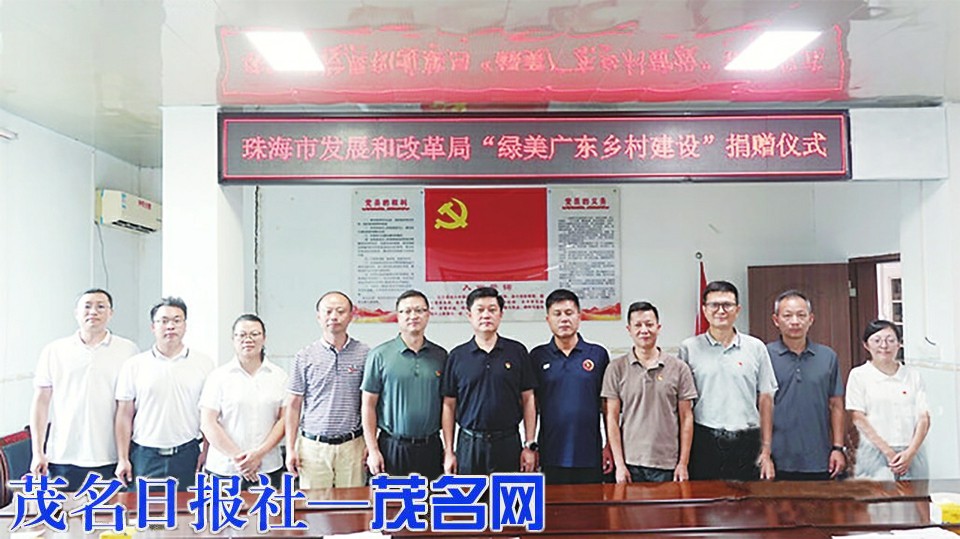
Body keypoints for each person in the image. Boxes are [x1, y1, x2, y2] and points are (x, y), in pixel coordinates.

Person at [29, 289, 139, 491]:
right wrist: (37, 452)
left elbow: (130, 406)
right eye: (87, 306)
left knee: (109, 510)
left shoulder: (128, 350)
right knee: (64, 510)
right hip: (63, 454)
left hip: (110, 456)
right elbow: (41, 402)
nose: (93, 312)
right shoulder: (55, 351)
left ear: (111, 313)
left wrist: (124, 456)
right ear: (76, 313)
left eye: (100, 306)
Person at [679, 280, 778, 481]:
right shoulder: (689, 348)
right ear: (704, 310)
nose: (721, 311)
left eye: (727, 305)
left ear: (737, 310)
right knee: (705, 499)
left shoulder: (756, 347)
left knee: (748, 500)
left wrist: (766, 450)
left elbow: (766, 399)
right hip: (705, 440)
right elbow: (683, 406)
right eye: (714, 305)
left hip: (748, 440)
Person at [114, 297, 214, 490]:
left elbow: (209, 415)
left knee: (187, 508)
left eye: (177, 320)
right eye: (164, 321)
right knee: (143, 508)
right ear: (153, 327)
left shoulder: (204, 364)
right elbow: (124, 415)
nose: (170, 326)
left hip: (188, 454)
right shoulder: (135, 365)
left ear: (185, 325)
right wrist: (123, 458)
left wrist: (207, 451)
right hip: (144, 456)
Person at [441, 287, 538, 475]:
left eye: (492, 310)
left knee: (507, 495)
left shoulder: (517, 352)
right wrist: (449, 451)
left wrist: (529, 444)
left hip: (508, 443)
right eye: (480, 310)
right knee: (470, 494)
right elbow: (449, 405)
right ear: (469, 316)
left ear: (500, 315)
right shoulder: (457, 356)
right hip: (469, 444)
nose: (486, 315)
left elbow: (528, 399)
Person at [603, 301, 697, 482]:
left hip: (668, 464)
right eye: (638, 325)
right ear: (629, 329)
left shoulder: (679, 368)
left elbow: (686, 418)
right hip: (630, 463)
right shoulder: (616, 368)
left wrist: (683, 463)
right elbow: (612, 418)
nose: (644, 330)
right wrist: (620, 465)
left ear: (658, 327)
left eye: (649, 324)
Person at [285, 291, 369, 488]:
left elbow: (371, 404)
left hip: (353, 446)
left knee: (352, 504)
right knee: (314, 504)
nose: (334, 316)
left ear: (351, 316)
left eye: (340, 311)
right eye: (328, 311)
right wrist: (290, 448)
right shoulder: (304, 356)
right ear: (319, 317)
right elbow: (294, 405)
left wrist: (371, 446)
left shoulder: (365, 354)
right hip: (313, 448)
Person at [361, 290, 447, 479]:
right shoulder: (379, 355)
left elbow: (448, 404)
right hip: (392, 447)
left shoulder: (441, 356)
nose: (413, 316)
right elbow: (368, 405)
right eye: (406, 311)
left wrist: (449, 450)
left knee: (431, 497)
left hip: (431, 446)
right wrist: (372, 450)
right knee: (391, 498)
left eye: (419, 310)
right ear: (397, 316)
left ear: (428, 315)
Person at [530, 289, 612, 484]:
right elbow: (531, 404)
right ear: (548, 319)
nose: (564, 319)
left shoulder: (598, 354)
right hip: (550, 452)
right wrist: (531, 446)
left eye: (569, 313)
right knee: (552, 503)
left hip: (589, 452)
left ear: (579, 316)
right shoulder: (537, 356)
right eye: (557, 314)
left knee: (591, 503)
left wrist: (609, 445)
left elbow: (607, 406)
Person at [199, 314, 286, 489]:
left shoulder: (279, 376)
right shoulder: (218, 377)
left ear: (264, 338)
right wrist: (240, 459)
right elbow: (208, 423)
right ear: (233, 339)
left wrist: (258, 455)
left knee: (268, 508)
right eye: (242, 335)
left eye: (255, 334)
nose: (248, 339)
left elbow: (284, 420)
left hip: (267, 467)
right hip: (224, 469)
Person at [766, 290, 846, 481]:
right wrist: (763, 453)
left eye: (801, 315)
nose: (795, 321)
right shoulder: (764, 355)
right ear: (776, 320)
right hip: (776, 458)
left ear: (811, 319)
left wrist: (838, 448)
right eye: (787, 315)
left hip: (819, 457)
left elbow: (836, 405)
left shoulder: (827, 356)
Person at [846, 320, 930, 480]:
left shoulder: (913, 376)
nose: (884, 346)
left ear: (899, 344)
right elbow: (858, 417)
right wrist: (889, 452)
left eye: (890, 340)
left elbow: (924, 418)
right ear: (866, 345)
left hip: (912, 452)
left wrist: (910, 452)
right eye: (877, 340)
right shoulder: (859, 375)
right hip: (874, 452)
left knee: (916, 495)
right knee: (877, 496)